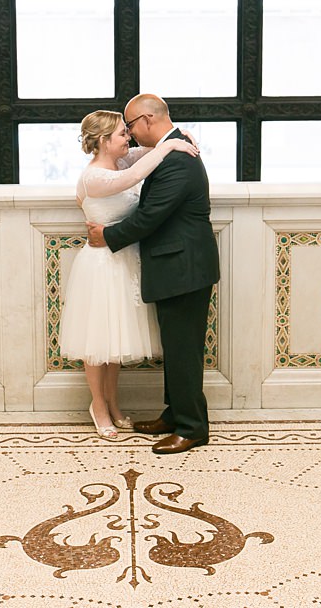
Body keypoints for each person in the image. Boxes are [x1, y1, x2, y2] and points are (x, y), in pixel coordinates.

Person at [88, 94, 220, 454]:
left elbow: (152, 215)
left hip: (185, 266)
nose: (129, 135)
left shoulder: (177, 157)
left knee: (184, 350)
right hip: (177, 264)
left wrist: (107, 236)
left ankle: (192, 427)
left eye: (130, 126)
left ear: (146, 120)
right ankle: (174, 414)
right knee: (176, 348)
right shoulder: (172, 149)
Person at [62, 109, 199, 440]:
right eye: (123, 134)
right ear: (105, 140)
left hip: (124, 263)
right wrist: (168, 148)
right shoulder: (94, 176)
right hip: (100, 266)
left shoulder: (120, 161)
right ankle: (98, 406)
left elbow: (148, 150)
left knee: (115, 342)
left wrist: (182, 139)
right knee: (97, 343)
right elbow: (136, 175)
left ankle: (113, 403)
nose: (130, 138)